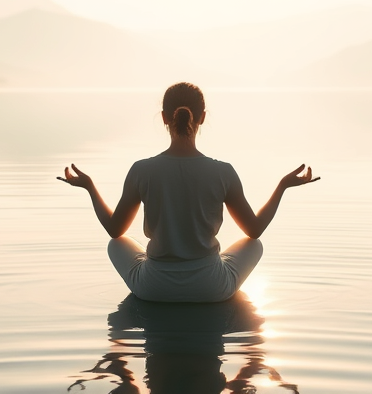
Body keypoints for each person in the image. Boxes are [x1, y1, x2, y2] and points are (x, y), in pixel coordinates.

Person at [57, 82, 319, 302]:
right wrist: (282, 186)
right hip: (211, 288)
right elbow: (254, 230)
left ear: (163, 118)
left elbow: (115, 230)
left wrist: (90, 187)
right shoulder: (222, 172)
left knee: (117, 244)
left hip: (153, 289)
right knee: (255, 244)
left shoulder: (142, 170)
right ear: (202, 116)